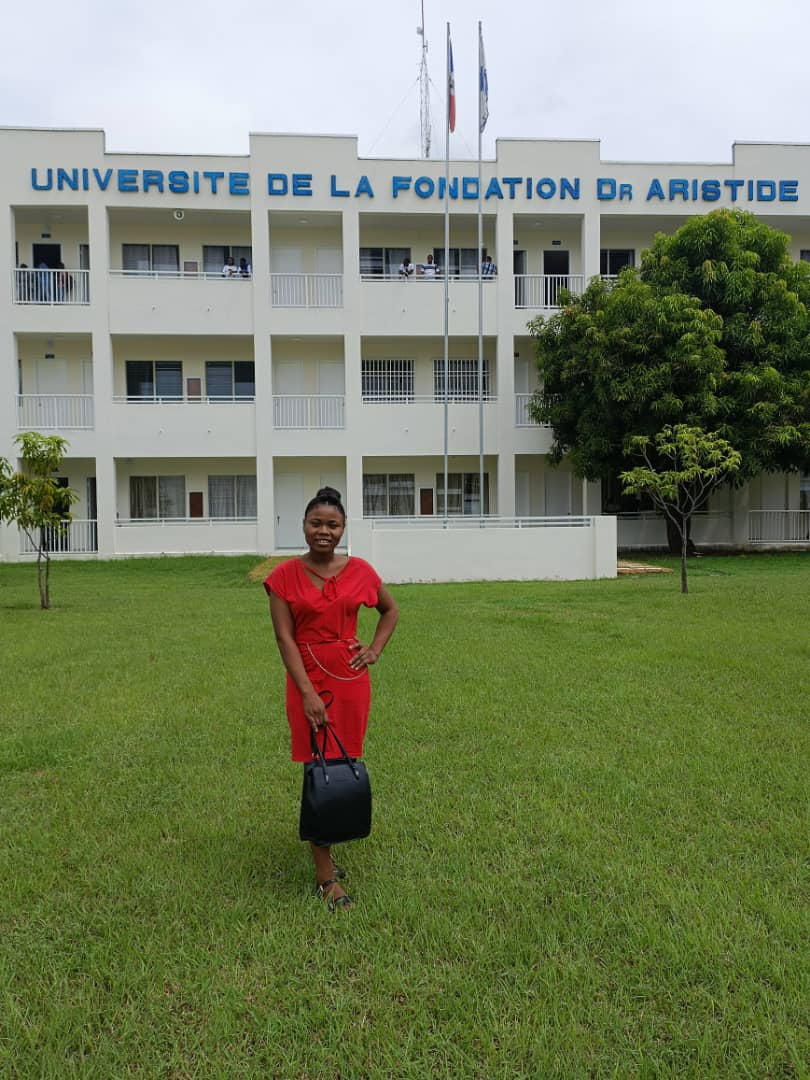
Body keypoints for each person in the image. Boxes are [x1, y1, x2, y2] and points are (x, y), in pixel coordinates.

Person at [264, 486, 398, 911]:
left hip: (350, 679)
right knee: (317, 768)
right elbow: (284, 637)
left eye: (332, 524)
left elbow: (390, 611)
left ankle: (332, 843)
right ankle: (326, 878)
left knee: (344, 763)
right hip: (307, 679)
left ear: (343, 529)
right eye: (316, 523)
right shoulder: (283, 575)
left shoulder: (361, 570)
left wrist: (374, 649)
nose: (324, 531)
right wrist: (306, 693)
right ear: (303, 526)